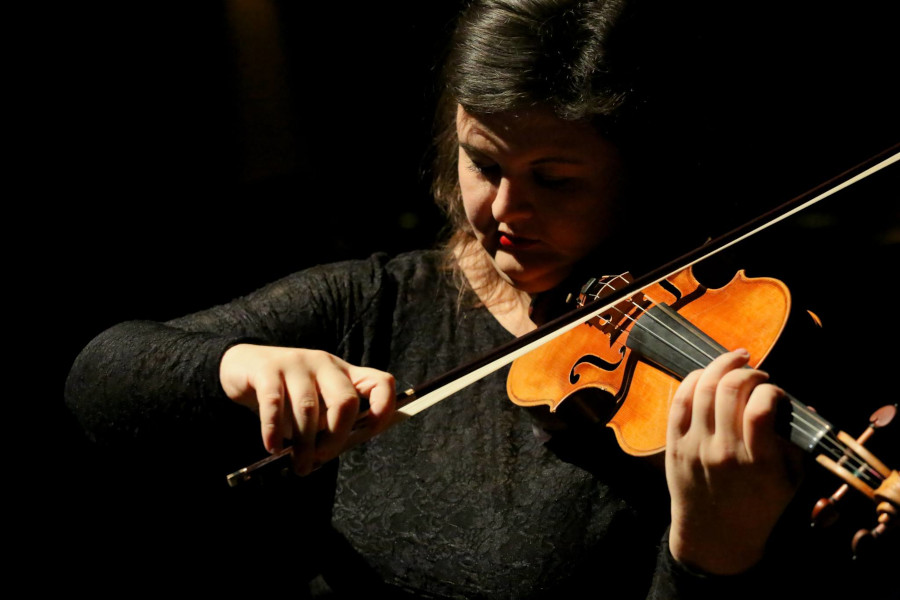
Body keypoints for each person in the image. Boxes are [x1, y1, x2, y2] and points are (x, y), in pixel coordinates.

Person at [64, 0, 897, 597]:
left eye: (555, 180)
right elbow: (101, 375)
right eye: (482, 163)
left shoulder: (734, 323)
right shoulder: (379, 301)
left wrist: (708, 560)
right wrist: (240, 366)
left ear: (643, 171)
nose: (500, 212)